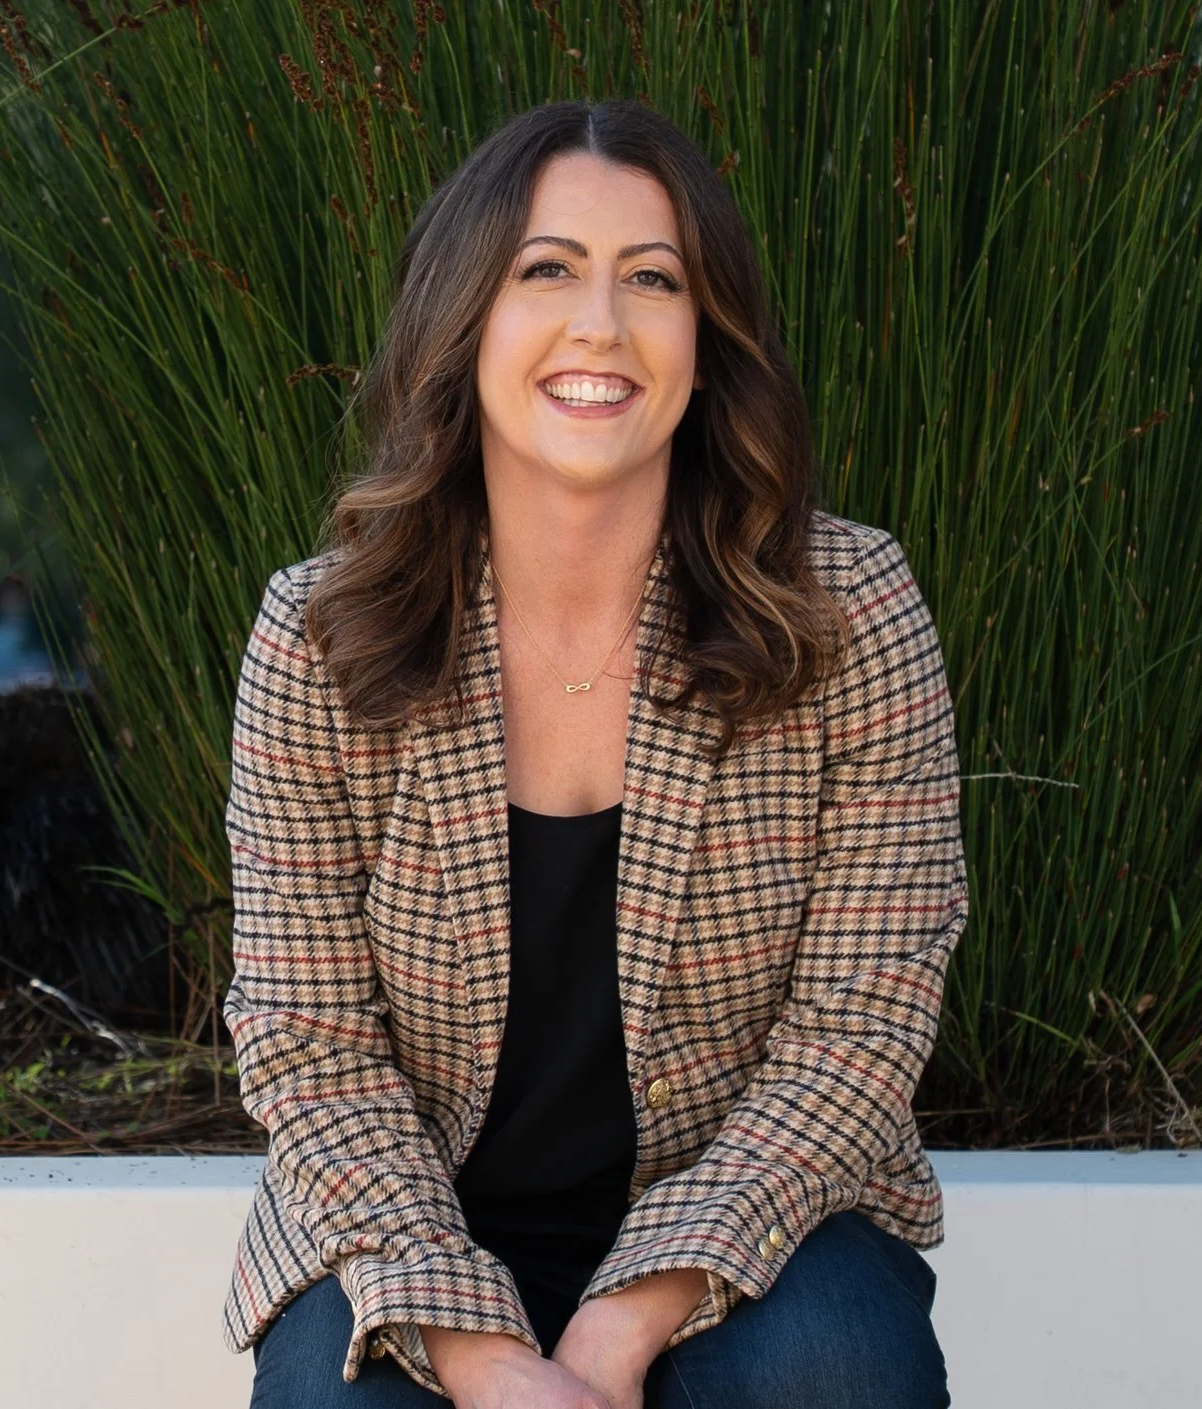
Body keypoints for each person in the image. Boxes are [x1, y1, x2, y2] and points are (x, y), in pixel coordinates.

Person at [222, 98, 966, 1409]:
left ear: (707, 334)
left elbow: (862, 1028)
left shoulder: (846, 614)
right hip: (406, 1214)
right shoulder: (321, 638)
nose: (601, 328)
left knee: (828, 1373)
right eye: (546, 271)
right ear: (467, 317)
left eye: (655, 281)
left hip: (757, 1214)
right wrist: (483, 1351)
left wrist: (624, 1322)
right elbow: (309, 1043)